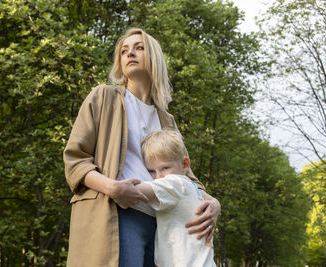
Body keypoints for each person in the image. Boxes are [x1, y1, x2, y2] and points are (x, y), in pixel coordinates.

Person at [63, 28, 221, 267]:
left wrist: (215, 204)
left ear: (154, 57)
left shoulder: (167, 121)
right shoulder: (103, 98)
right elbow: (75, 160)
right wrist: (113, 188)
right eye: (124, 51)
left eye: (139, 48)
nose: (130, 54)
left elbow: (187, 176)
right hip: (116, 214)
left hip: (162, 225)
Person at [136, 129, 217, 267]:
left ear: (185, 164)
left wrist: (111, 186)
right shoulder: (192, 187)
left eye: (165, 168)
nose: (158, 176)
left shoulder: (176, 183)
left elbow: (135, 191)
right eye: (151, 171)